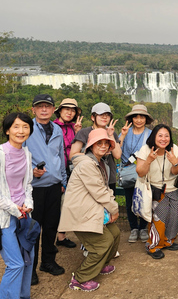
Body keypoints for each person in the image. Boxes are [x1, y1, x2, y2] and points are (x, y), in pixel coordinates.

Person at [58, 128, 120, 292]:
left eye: (106, 143)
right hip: (82, 213)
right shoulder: (87, 164)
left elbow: (105, 190)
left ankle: (99, 266)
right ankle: (79, 278)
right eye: (98, 143)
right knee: (103, 243)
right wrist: (114, 209)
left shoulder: (99, 163)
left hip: (94, 209)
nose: (103, 146)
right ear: (91, 146)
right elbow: (100, 193)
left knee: (115, 234)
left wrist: (112, 206)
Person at [24, 94, 68, 285]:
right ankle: (30, 269)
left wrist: (63, 181)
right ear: (33, 110)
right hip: (34, 188)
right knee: (33, 230)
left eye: (47, 107)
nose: (44, 110)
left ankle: (48, 262)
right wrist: (31, 172)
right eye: (39, 107)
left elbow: (61, 157)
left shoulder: (57, 129)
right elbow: (19, 156)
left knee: (51, 226)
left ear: (52, 110)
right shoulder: (27, 129)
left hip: (54, 186)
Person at [0, 112, 37, 298]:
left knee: (27, 260)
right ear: (7, 130)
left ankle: (23, 296)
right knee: (15, 263)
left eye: (25, 127)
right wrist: (16, 209)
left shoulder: (26, 153)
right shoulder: (0, 154)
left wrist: (28, 205)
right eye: (15, 126)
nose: (21, 131)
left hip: (23, 215)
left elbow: (27, 184)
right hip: (5, 217)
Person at [136, 124, 178, 259]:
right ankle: (153, 246)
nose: (164, 139)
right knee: (159, 219)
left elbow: (176, 172)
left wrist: (175, 162)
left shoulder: (175, 150)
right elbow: (140, 172)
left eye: (166, 136)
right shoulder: (145, 150)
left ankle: (168, 241)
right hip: (156, 190)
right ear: (154, 137)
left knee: (174, 217)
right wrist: (149, 160)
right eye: (160, 135)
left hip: (173, 189)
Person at [119, 104, 153, 243]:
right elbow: (116, 151)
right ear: (132, 119)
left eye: (142, 117)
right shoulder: (125, 132)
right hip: (128, 171)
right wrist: (123, 134)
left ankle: (143, 228)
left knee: (144, 199)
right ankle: (133, 228)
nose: (139, 120)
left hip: (144, 171)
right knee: (129, 202)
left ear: (146, 119)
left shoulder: (150, 134)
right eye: (136, 117)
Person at [70, 102, 121, 192]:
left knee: (109, 203)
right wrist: (96, 154)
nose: (105, 117)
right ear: (93, 117)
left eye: (107, 115)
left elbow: (117, 155)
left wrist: (111, 135)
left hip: (109, 177)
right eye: (101, 115)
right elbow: (72, 155)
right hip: (89, 178)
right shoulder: (84, 133)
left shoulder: (112, 133)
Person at [53, 98, 83, 249]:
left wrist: (78, 133)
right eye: (66, 109)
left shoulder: (74, 128)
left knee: (68, 202)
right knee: (57, 203)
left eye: (73, 110)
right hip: (57, 170)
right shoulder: (52, 127)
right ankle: (57, 236)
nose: (69, 112)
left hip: (72, 169)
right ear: (59, 111)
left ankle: (61, 236)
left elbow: (78, 149)